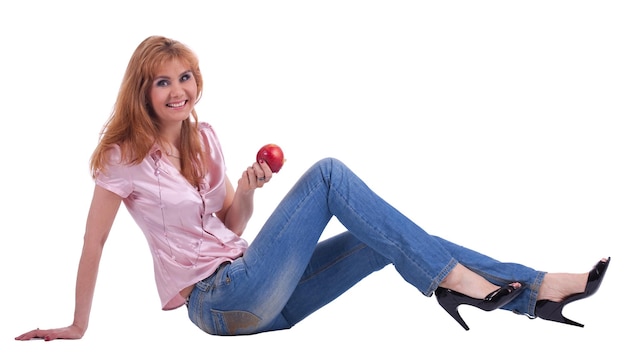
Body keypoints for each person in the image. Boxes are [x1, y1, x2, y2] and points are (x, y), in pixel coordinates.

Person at [15, 35, 610, 340]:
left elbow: (228, 228)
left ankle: (537, 291)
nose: (178, 90)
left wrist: (247, 191)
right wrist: (77, 325)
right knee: (328, 174)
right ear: (141, 91)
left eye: (186, 76)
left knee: (389, 237)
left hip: (272, 304)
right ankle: (455, 282)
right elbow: (92, 246)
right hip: (219, 303)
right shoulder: (123, 158)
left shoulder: (207, 141)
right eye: (162, 81)